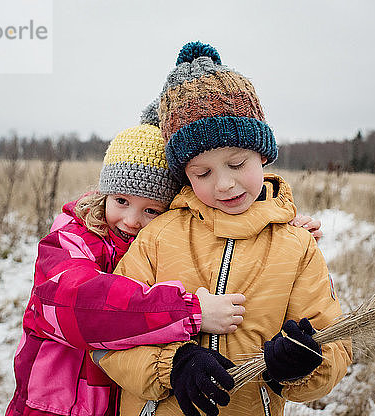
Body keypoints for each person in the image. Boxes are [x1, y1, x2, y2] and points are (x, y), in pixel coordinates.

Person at [92, 42, 352, 416]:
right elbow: (107, 335)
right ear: (184, 174)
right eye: (203, 173)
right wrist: (172, 364)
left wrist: (304, 364)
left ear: (263, 154)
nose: (225, 185)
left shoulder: (296, 246)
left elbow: (335, 346)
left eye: (236, 163)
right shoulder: (158, 237)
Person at [6, 109, 322, 416]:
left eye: (151, 211)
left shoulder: (157, 246)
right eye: (121, 201)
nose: (130, 220)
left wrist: (277, 229)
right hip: (55, 406)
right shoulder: (72, 240)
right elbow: (73, 304)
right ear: (104, 194)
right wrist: (191, 312)